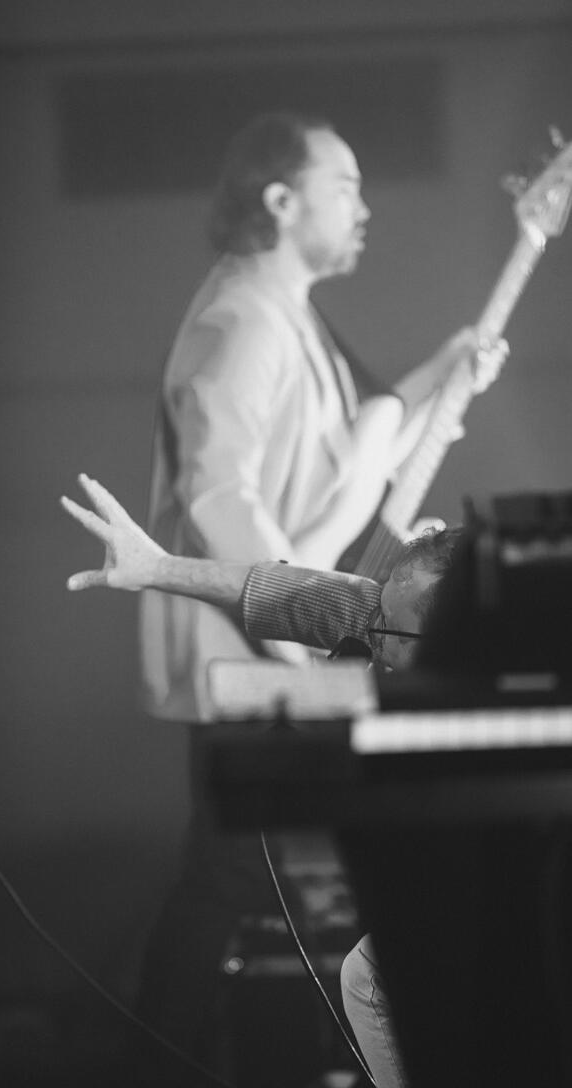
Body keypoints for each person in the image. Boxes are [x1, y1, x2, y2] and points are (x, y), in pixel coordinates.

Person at [134, 111, 505, 1070]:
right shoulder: (240, 321)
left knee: (260, 881)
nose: (363, 207)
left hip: (275, 644)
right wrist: (307, 625)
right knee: (228, 882)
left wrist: (437, 379)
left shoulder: (282, 316)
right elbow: (221, 495)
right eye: (343, 186)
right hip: (252, 653)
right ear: (280, 199)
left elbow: (345, 460)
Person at [61, 473, 463, 1088]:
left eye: (391, 632)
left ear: (456, 639)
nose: (373, 641)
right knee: (374, 976)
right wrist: (158, 567)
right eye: (376, 618)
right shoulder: (400, 618)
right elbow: (294, 594)